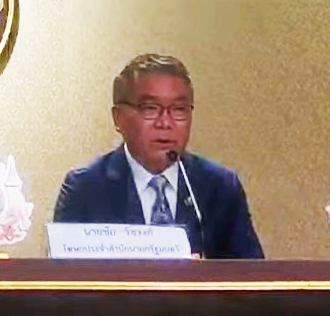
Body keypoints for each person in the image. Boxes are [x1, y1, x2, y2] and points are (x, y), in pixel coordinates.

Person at [53, 53, 264, 259]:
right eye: (150, 109)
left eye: (179, 109)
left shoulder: (220, 187)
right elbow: (63, 277)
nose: (165, 123)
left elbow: (253, 276)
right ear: (118, 118)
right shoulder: (85, 188)